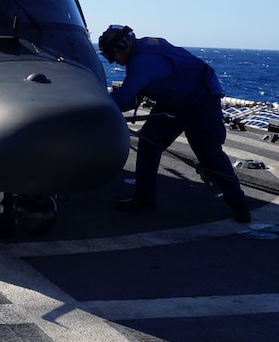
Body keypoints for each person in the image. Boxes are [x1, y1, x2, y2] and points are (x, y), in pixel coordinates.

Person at [98, 24, 251, 224]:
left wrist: (94, 106)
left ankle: (239, 204)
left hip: (201, 102)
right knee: (149, 142)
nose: (115, 63)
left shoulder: (143, 62)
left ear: (121, 46)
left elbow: (124, 97)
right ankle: (144, 198)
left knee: (209, 154)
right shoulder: (142, 51)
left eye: (113, 56)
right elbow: (133, 98)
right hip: (173, 102)